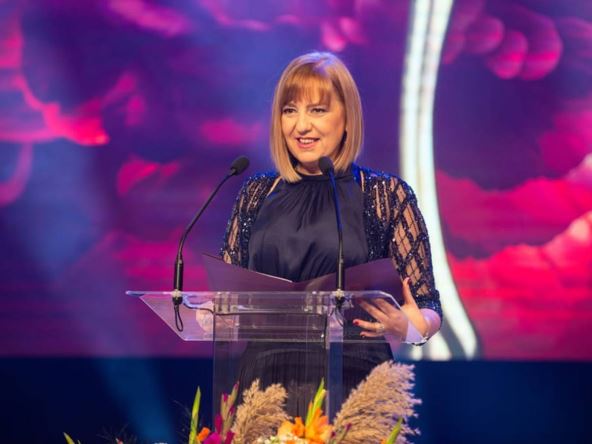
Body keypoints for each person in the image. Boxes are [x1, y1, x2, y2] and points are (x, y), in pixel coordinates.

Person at [220, 51, 442, 413]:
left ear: (347, 118)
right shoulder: (256, 193)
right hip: (263, 386)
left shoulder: (385, 195)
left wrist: (409, 327)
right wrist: (211, 312)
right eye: (290, 110)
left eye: (317, 110)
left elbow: (428, 306)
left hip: (354, 384)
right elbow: (225, 295)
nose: (300, 126)